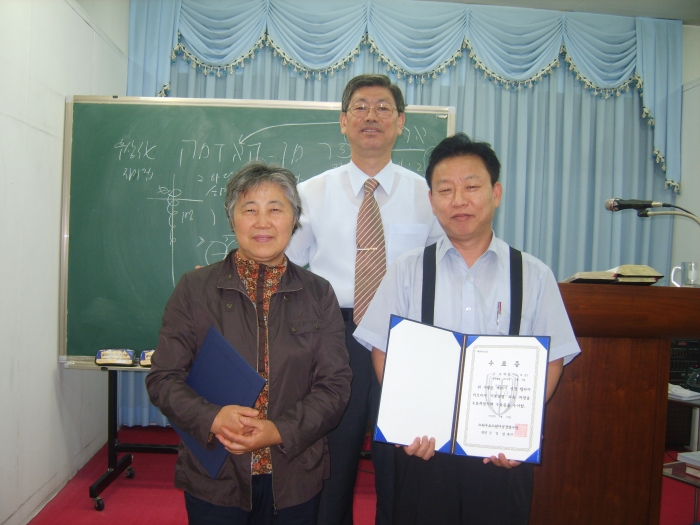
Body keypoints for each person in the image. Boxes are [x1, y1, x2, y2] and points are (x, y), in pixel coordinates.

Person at [353, 133, 581, 525]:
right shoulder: (407, 270)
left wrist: (518, 431)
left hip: (501, 457)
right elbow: (382, 350)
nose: (459, 200)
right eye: (446, 190)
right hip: (424, 452)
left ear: (496, 193)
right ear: (432, 201)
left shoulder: (534, 274)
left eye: (471, 187)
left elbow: (553, 360)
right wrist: (407, 420)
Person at [146, 161, 352, 525]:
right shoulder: (195, 289)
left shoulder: (319, 294)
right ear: (232, 219)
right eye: (250, 210)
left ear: (294, 218)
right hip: (216, 473)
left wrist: (279, 430)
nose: (263, 222)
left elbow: (335, 386)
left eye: (275, 209)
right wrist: (212, 418)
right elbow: (163, 378)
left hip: (295, 473)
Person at [285, 74, 443, 525]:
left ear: (401, 122)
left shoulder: (428, 196)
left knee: (402, 460)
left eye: (383, 107)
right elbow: (288, 268)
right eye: (360, 107)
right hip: (334, 337)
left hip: (405, 336)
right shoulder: (310, 193)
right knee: (332, 461)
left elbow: (441, 269)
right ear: (343, 121)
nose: (371, 116)